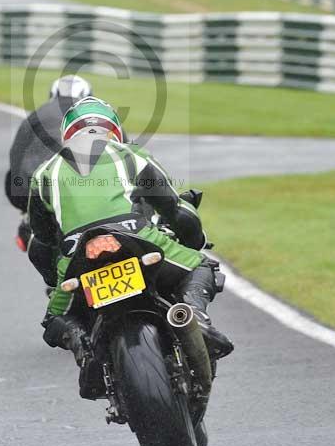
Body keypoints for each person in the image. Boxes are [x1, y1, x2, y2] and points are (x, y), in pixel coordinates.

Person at [28, 96, 234, 364]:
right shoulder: (132, 155)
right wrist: (194, 240)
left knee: (55, 317)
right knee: (202, 266)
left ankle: (80, 340)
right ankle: (194, 317)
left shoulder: (44, 173)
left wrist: (56, 273)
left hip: (78, 254)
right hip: (136, 237)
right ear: (114, 130)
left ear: (68, 134)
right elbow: (175, 208)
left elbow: (41, 238)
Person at [5, 75, 94, 277]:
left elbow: (15, 160)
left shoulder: (35, 116)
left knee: (35, 235)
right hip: (94, 193)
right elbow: (126, 153)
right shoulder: (99, 114)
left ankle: (55, 281)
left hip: (41, 194)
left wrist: (23, 206)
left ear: (53, 94)